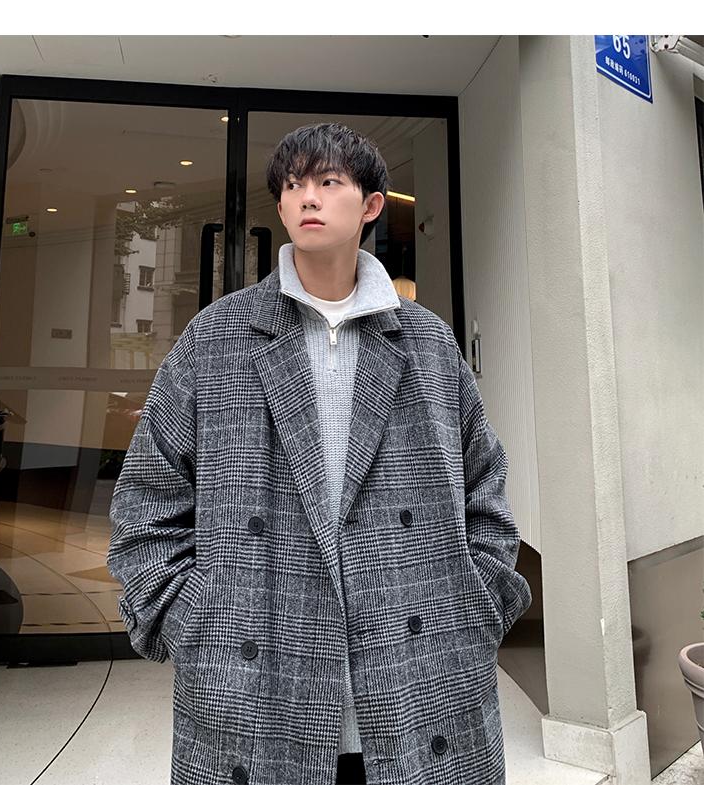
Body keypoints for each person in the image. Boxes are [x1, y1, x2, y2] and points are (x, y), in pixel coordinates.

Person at [107, 122, 532, 785]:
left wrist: (477, 605)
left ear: (370, 205)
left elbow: (486, 487)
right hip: (252, 679)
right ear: (280, 207)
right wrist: (194, 624)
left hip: (421, 675)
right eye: (292, 184)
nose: (307, 196)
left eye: (329, 181)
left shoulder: (426, 342)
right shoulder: (215, 338)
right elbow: (146, 502)